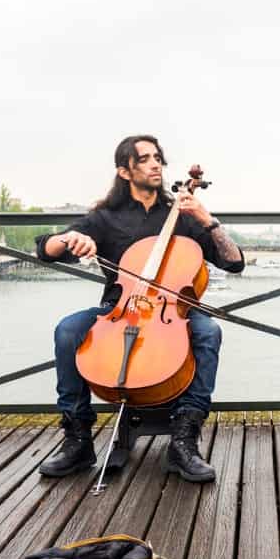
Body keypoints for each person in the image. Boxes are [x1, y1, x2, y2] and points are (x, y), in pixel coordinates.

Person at [34, 135, 244, 483]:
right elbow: (46, 247)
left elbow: (234, 263)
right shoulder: (105, 217)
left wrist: (207, 219)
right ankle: (77, 439)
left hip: (173, 312)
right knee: (68, 330)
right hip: (118, 310)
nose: (155, 163)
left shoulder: (183, 216)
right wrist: (70, 240)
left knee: (209, 331)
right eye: (145, 158)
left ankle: (184, 441)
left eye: (158, 157)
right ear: (125, 171)